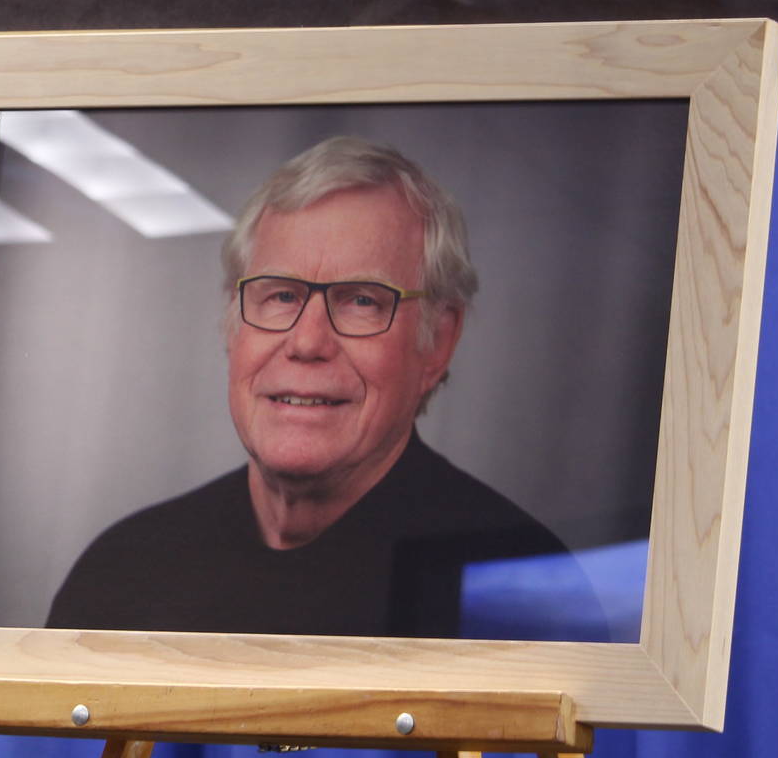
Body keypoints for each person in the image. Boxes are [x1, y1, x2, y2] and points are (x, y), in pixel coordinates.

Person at [47, 136, 594, 640]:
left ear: (439, 340)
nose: (308, 341)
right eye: (280, 296)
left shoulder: (517, 593)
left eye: (361, 300)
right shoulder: (124, 572)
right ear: (232, 324)